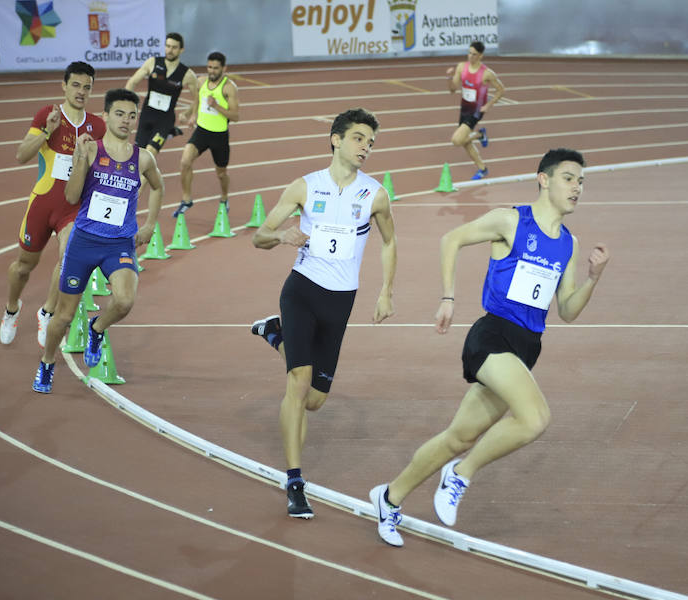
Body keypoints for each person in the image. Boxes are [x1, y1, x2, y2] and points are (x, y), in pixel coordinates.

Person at [369, 148, 610, 546]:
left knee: (459, 437)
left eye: (582, 181)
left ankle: (389, 497)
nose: (577, 188)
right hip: (492, 336)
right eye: (569, 178)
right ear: (543, 179)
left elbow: (566, 310)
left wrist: (593, 279)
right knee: (534, 419)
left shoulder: (569, 244)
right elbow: (451, 239)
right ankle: (460, 474)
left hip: (527, 348)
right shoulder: (511, 220)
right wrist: (448, 298)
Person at [250, 108, 398, 519]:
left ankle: (275, 335)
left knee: (315, 399)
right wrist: (282, 236)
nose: (366, 147)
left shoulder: (376, 194)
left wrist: (385, 291)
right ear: (335, 139)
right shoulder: (304, 186)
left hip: (341, 301)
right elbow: (259, 236)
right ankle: (295, 481)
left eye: (371, 141)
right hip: (301, 290)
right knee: (297, 384)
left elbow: (389, 242)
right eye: (358, 138)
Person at [31, 89, 164, 394]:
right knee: (63, 315)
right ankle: (47, 361)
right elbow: (71, 196)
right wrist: (79, 158)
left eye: (132, 115)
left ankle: (97, 328)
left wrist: (150, 224)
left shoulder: (143, 158)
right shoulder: (92, 150)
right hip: (84, 242)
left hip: (118, 244)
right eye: (119, 114)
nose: (126, 121)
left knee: (125, 301)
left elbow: (158, 187)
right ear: (105, 116)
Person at [1, 61, 107, 348]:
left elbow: (103, 168)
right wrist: (48, 131)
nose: (81, 91)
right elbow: (21, 155)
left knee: (69, 257)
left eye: (87, 87)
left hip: (73, 207)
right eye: (75, 85)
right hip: (42, 203)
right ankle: (12, 308)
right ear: (64, 85)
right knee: (23, 267)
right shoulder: (47, 115)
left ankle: (46, 311)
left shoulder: (97, 125)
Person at [173, 51, 239, 217]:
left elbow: (236, 116)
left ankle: (224, 198)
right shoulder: (201, 81)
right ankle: (186, 199)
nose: (211, 71)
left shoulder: (228, 88)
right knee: (185, 161)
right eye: (209, 67)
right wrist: (192, 114)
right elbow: (198, 100)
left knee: (221, 174)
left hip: (219, 136)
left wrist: (217, 106)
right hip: (201, 131)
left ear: (224, 68)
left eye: (216, 68)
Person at [125, 32, 197, 157]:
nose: (170, 50)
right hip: (146, 116)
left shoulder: (187, 74)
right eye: (168, 46)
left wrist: (189, 113)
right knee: (137, 156)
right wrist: (128, 106)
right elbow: (132, 82)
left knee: (150, 153)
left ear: (181, 50)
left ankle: (168, 131)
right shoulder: (152, 63)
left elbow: (198, 97)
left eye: (174, 48)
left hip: (165, 120)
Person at [445, 41, 505, 181]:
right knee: (465, 142)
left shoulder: (487, 73)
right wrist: (449, 77)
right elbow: (453, 90)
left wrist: (489, 105)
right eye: (469, 53)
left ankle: (479, 135)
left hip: (477, 110)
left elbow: (501, 90)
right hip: (464, 108)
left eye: (474, 54)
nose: (470, 56)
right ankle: (482, 169)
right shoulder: (461, 67)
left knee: (456, 140)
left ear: (480, 56)